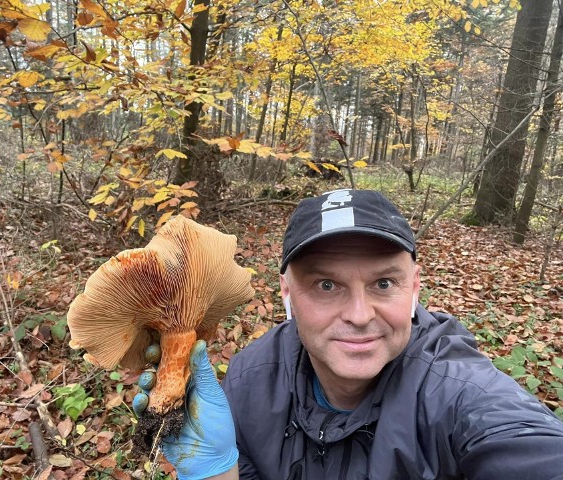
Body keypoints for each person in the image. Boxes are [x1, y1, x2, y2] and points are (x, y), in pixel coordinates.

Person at [133, 188, 563, 480]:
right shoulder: (249, 379)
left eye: (383, 284)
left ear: (414, 288)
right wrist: (216, 470)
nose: (359, 316)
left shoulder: (459, 393)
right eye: (326, 285)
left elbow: (527, 446)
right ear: (287, 293)